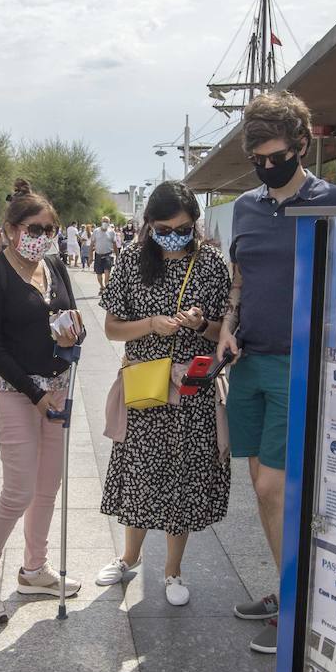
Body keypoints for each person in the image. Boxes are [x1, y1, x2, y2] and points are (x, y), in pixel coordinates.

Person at [217, 91, 336, 654]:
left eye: (275, 154)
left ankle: (302, 608)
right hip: (248, 363)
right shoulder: (248, 208)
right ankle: (288, 588)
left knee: (276, 486)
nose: (265, 165)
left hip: (300, 365)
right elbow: (240, 280)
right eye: (257, 156)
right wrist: (228, 324)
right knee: (261, 487)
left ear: (301, 146)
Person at [93, 182, 231, 606]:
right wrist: (151, 324)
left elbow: (222, 331)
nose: (175, 235)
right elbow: (112, 327)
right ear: (149, 225)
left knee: (184, 480)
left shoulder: (209, 263)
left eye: (184, 227)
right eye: (165, 228)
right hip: (145, 383)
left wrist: (198, 325)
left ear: (195, 223)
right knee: (140, 473)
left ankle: (173, 571)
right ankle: (128, 557)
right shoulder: (132, 261)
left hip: (191, 388)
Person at [0, 178, 83, 622]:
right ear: (11, 229)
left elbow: (72, 317)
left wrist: (75, 332)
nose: (42, 237)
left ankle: (34, 569)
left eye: (49, 229)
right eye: (33, 229)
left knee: (47, 487)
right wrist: (34, 394)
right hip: (14, 390)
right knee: (18, 490)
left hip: (57, 385)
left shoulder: (55, 266)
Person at [92, 218, 117, 291]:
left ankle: (106, 288)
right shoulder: (96, 231)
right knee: (99, 274)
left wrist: (118, 256)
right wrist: (90, 256)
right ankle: (102, 286)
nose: (105, 223)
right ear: (101, 222)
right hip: (98, 255)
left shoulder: (112, 232)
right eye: (104, 221)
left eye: (107, 222)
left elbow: (114, 244)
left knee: (107, 272)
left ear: (109, 223)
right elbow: (92, 244)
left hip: (108, 255)